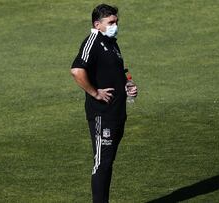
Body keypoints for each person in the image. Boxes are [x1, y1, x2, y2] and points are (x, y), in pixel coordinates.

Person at [70, 4, 137, 203]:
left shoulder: (112, 43)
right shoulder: (93, 41)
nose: (115, 26)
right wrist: (95, 93)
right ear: (97, 24)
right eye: (111, 22)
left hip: (117, 113)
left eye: (116, 22)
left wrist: (128, 87)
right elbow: (76, 70)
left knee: (107, 163)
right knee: (102, 163)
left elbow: (118, 74)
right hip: (102, 114)